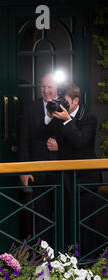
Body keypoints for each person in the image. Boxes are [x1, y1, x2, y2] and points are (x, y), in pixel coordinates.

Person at [45, 84, 102, 255]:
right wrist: (49, 116)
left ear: (76, 101)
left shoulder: (89, 118)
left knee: (85, 226)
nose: (63, 105)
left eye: (66, 101)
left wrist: (67, 121)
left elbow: (80, 142)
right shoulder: (58, 117)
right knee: (65, 225)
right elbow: (41, 135)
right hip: (65, 181)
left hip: (85, 182)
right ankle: (65, 262)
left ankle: (87, 263)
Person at [18, 73, 59, 243]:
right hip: (38, 171)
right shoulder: (31, 107)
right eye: (43, 86)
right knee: (41, 217)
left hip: (61, 170)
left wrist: (60, 146)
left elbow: (75, 138)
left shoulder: (66, 106)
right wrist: (24, 169)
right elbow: (24, 140)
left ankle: (65, 259)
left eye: (49, 86)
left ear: (57, 88)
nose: (45, 90)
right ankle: (44, 260)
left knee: (62, 215)